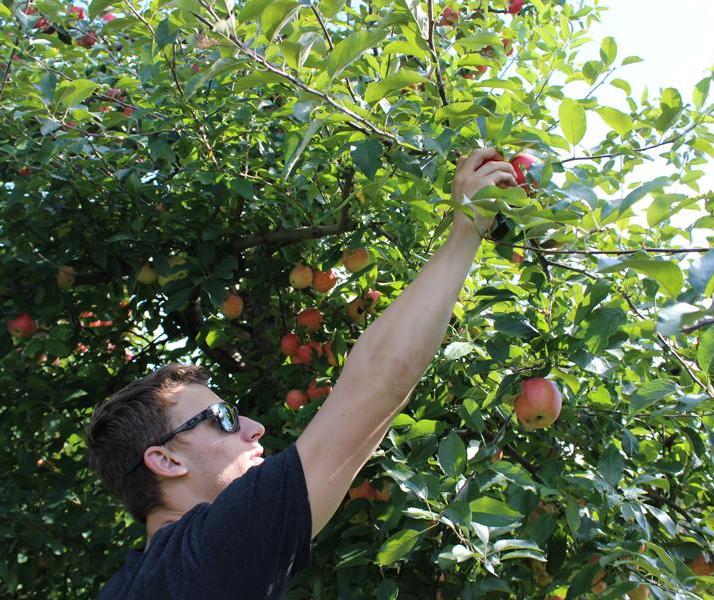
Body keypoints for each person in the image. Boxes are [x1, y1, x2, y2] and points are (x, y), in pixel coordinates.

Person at [85, 148, 519, 599]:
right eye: (224, 418)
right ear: (166, 460)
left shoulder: (135, 585)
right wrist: (468, 224)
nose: (255, 428)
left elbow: (374, 405)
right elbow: (376, 386)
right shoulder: (211, 552)